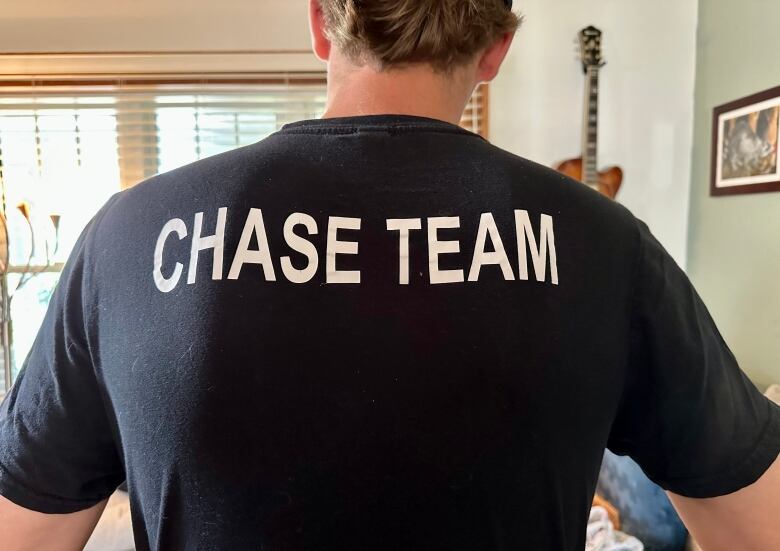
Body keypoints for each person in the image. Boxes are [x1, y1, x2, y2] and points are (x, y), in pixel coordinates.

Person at [1, 0, 778, 549]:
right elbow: (759, 525)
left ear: (318, 20)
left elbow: (23, 532)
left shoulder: (128, 238)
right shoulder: (606, 246)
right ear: (496, 47)